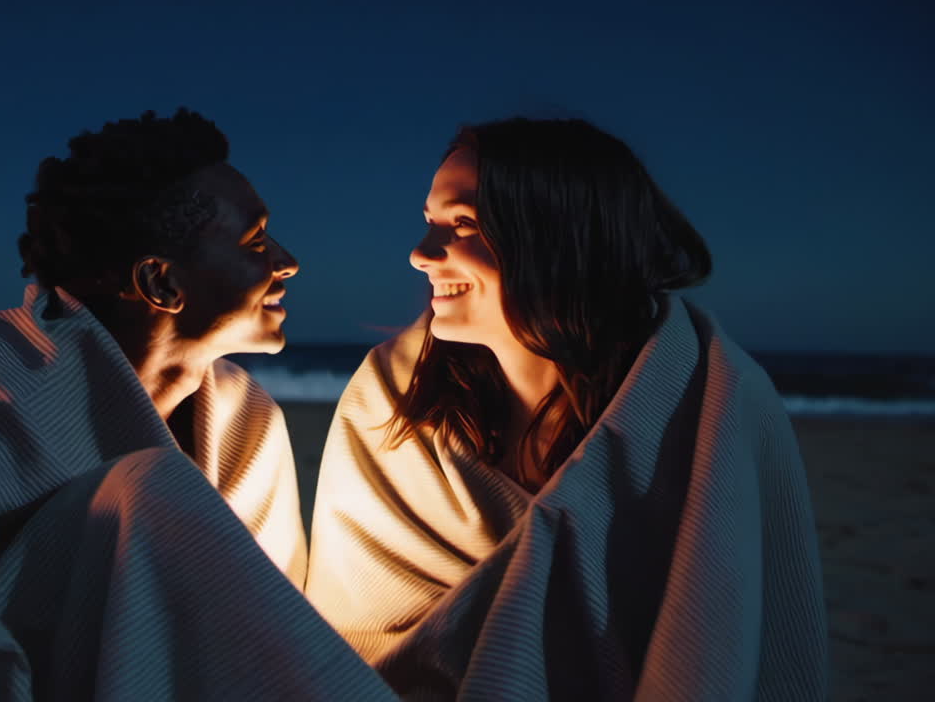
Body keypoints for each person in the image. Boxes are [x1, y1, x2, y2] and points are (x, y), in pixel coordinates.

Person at [0, 109, 394, 700]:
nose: (288, 262)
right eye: (256, 241)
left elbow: (254, 632)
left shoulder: (246, 418)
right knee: (148, 485)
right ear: (161, 282)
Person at [305, 117, 829, 699]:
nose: (420, 254)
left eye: (463, 224)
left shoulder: (718, 404)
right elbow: (356, 644)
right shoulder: (391, 402)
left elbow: (751, 634)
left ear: (555, 237)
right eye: (430, 222)